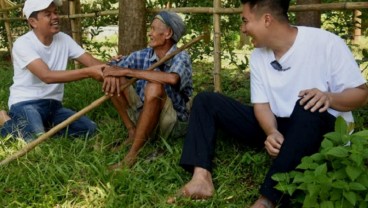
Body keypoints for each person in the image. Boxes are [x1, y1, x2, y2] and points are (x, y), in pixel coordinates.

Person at [170, 0, 368, 207]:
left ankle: (268, 199)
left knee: (306, 105)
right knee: (206, 101)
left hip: (319, 127)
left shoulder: (327, 43)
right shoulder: (258, 56)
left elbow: (361, 95)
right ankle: (201, 178)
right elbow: (262, 105)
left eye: (245, 21)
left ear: (267, 20)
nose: (243, 29)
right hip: (282, 127)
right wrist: (271, 131)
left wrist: (329, 97)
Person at [0, 0, 105, 142]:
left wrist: (115, 67)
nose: (55, 17)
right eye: (48, 14)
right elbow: (46, 76)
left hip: (53, 105)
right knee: (35, 141)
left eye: (55, 12)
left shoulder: (64, 39)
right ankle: (5, 120)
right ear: (33, 22)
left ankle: (39, 128)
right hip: (25, 103)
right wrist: (89, 72)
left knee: (89, 129)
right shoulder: (23, 44)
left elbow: (93, 63)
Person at [102, 11, 192, 169]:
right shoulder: (143, 55)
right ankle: (132, 131)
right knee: (115, 79)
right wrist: (111, 69)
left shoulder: (181, 56)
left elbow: (172, 79)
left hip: (169, 122)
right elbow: (113, 69)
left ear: (168, 33)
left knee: (154, 85)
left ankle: (132, 156)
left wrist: (128, 72)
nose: (149, 33)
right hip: (144, 113)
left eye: (153, 29)